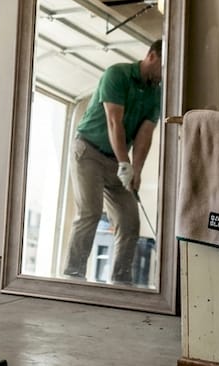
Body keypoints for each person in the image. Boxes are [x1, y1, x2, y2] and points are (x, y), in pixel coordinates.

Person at [64, 39, 162, 285]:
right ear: (152, 56)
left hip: (118, 161)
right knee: (90, 212)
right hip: (89, 152)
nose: (165, 75)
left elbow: (145, 134)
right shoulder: (117, 74)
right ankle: (72, 277)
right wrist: (125, 164)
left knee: (130, 221)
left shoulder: (156, 92)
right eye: (164, 67)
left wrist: (136, 170)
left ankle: (121, 282)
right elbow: (113, 122)